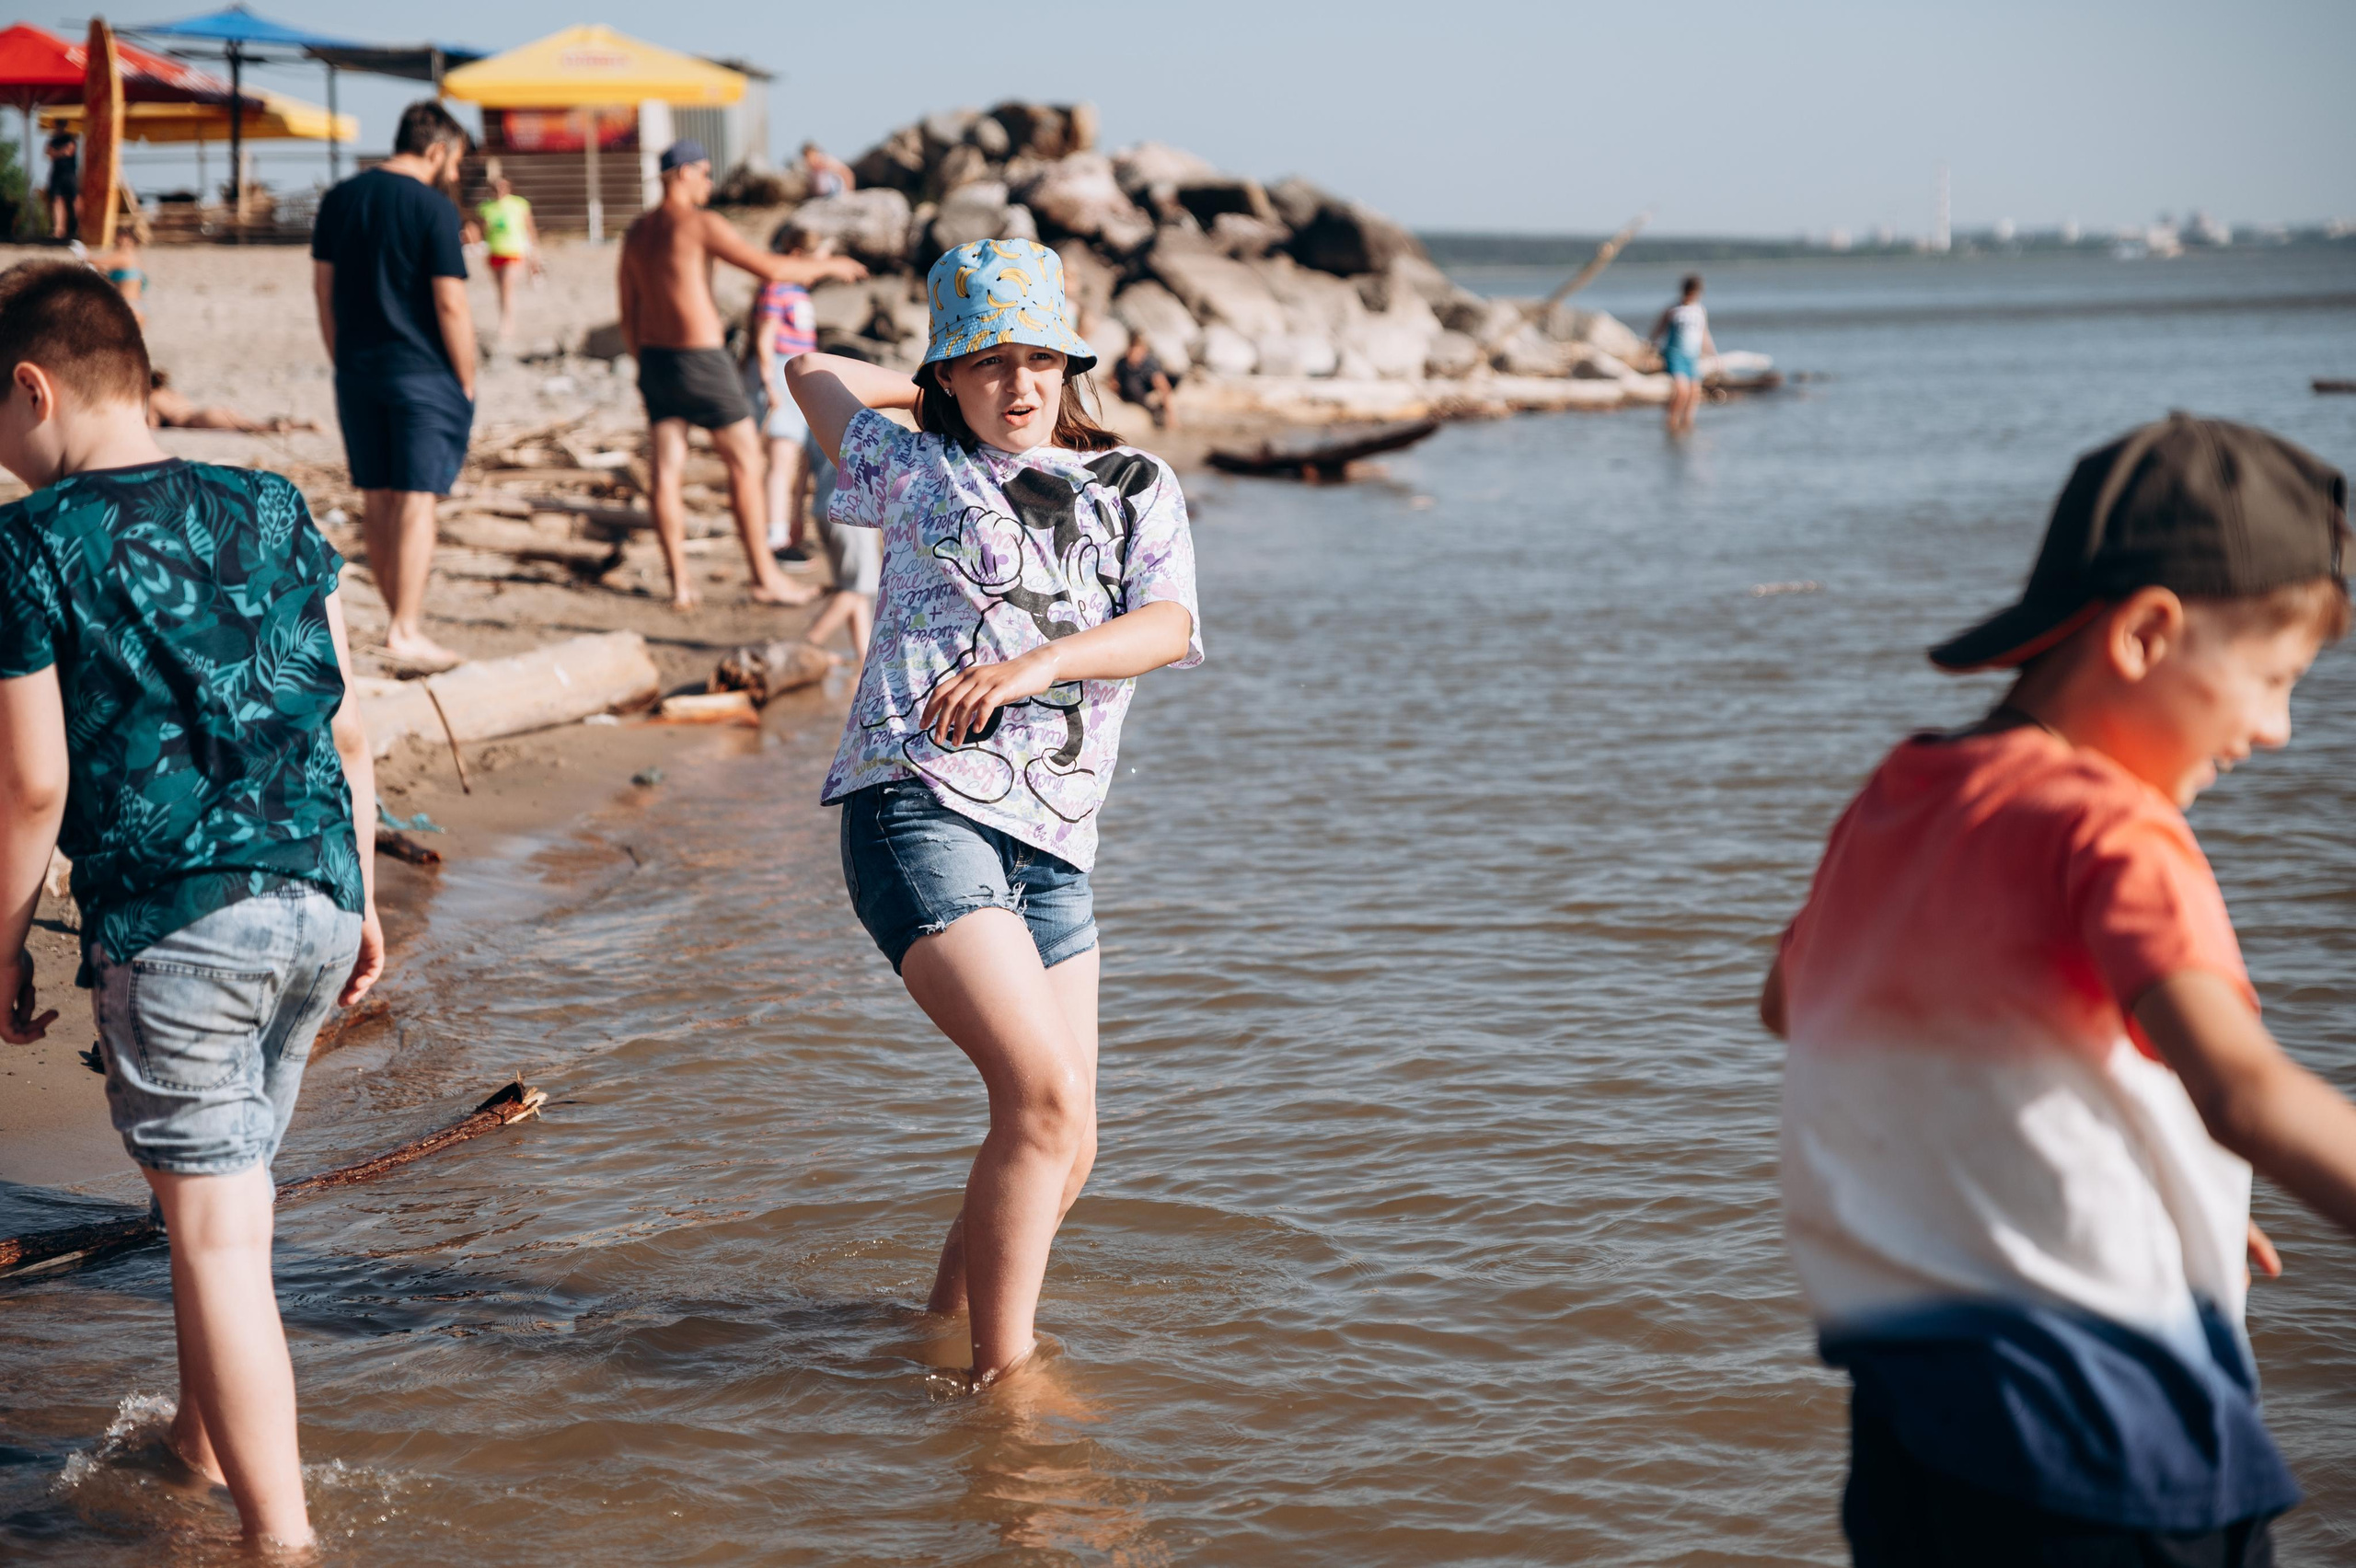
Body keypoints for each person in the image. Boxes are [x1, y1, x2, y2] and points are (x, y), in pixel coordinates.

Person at [1762, 413, 2356, 1567]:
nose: (2276, 731)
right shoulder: (2118, 829)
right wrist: (2238, 1136)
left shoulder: (1898, 796)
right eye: (2275, 679)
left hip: (1910, 1434)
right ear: (2145, 634)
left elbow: (1797, 1010)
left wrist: (2149, 1171)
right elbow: (2247, 1094)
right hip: (2114, 1444)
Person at [0, 260, 385, 1551]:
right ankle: (197, 1452)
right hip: (319, 902)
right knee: (221, 1205)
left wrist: (3, 942)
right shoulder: (272, 505)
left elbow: (33, 779)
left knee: (218, 1234)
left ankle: (278, 1539)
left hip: (181, 925)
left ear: (32, 388)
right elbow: (351, 726)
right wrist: (366, 894)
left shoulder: (29, 544)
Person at [786, 237, 1203, 1384]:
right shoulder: (912, 467)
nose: (1017, 386)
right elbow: (808, 365)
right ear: (949, 380)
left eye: (1037, 360)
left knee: (1070, 1140)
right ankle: (1003, 1385)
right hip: (915, 805)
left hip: (1053, 848)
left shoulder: (1133, 482)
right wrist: (923, 382)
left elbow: (1165, 630)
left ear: (1071, 366)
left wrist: (1033, 668)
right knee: (1042, 1096)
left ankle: (930, 1337)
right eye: (985, 364)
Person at [618, 139, 864, 611]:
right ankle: (765, 577)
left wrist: (642, 363)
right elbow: (769, 267)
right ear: (684, 173)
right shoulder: (698, 223)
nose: (710, 183)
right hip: (702, 360)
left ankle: (681, 584)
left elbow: (628, 309)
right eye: (706, 173)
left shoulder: (637, 232)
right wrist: (828, 264)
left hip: (655, 361)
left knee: (666, 471)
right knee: (746, 464)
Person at [310, 99, 478, 674]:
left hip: (358, 368)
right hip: (422, 370)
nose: (454, 174)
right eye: (454, 161)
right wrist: (468, 375)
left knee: (376, 496)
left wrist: (342, 358)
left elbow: (323, 291)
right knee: (416, 497)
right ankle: (405, 629)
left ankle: (396, 622)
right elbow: (450, 302)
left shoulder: (340, 198)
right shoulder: (432, 207)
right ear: (436, 149)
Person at [743, 220, 826, 559]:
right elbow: (764, 339)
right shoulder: (776, 289)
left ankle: (793, 528)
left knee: (800, 462)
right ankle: (774, 535)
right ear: (796, 255)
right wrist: (769, 385)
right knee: (782, 457)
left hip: (801, 379)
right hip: (780, 374)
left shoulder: (798, 292)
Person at [793, 431, 876, 661]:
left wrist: (796, 515)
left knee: (852, 587)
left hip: (823, 511)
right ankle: (804, 646)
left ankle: (864, 657)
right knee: (856, 590)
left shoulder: (814, 422)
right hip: (852, 514)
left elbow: (802, 472)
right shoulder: (861, 421)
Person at [472, 173, 540, 345]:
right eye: (496, 187)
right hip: (494, 251)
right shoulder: (485, 207)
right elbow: (481, 231)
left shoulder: (519, 205)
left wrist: (535, 253)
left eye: (503, 187)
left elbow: (530, 228)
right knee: (500, 288)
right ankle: (504, 316)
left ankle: (507, 322)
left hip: (514, 251)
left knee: (506, 285)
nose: (500, 190)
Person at [147, 369, 318, 433]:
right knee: (251, 423)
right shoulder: (172, 392)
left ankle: (284, 426)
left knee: (253, 428)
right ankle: (301, 425)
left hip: (198, 419)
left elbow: (151, 426)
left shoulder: (152, 398)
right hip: (208, 411)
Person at [1650, 274, 1715, 436]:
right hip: (1675, 354)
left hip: (1692, 356)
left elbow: (1704, 334)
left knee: (1694, 391)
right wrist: (1650, 350)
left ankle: (1687, 422)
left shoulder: (1700, 310)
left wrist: (1713, 354)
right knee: (1681, 390)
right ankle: (1671, 421)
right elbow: (1659, 330)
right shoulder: (1674, 310)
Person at [1113, 331, 1179, 429]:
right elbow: (1113, 382)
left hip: (1148, 396)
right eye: (1132, 349)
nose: (1133, 354)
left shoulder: (1150, 363)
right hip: (1130, 394)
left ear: (1144, 351)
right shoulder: (1121, 362)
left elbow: (1164, 387)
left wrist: (1171, 416)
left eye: (1138, 351)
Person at [44, 130, 78, 242]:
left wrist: (56, 152)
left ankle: (80, 227)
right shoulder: (54, 140)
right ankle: (59, 230)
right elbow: (48, 153)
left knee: (75, 201)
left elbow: (68, 151)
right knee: (57, 201)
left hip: (69, 174)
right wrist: (60, 152)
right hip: (57, 175)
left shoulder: (70, 138)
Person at [102, 234, 144, 322]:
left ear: (126, 239)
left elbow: (96, 263)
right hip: (139, 306)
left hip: (124, 306)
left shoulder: (122, 257)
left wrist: (84, 253)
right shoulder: (138, 261)